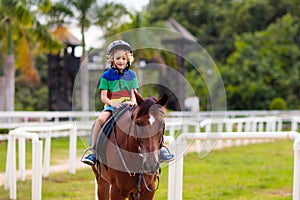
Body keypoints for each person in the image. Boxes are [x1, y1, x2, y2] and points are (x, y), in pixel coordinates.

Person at [82, 40, 174, 166]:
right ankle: (93, 152)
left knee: (149, 120)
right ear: (112, 59)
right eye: (118, 58)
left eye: (124, 58)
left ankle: (160, 149)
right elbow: (103, 97)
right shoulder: (106, 76)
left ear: (128, 60)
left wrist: (132, 101)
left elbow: (134, 93)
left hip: (130, 106)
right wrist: (112, 103)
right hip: (111, 107)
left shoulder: (132, 75)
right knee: (100, 120)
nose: (121, 61)